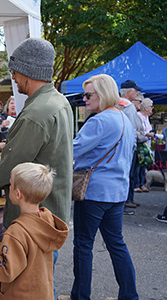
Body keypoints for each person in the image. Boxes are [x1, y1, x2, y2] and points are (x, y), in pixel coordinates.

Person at [0, 38, 73, 298]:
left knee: (29, 286)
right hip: (51, 212)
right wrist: (6, 144)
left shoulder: (35, 114)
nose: (14, 79)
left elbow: (11, 167)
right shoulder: (59, 102)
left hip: (35, 215)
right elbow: (43, 146)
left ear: (28, 73)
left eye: (15, 72)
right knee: (45, 280)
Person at [70, 74, 138, 300]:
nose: (84, 100)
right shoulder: (125, 120)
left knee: (83, 246)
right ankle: (129, 295)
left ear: (103, 94)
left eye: (88, 95)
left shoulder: (99, 120)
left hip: (93, 192)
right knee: (117, 245)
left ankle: (81, 296)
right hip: (117, 193)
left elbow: (72, 150)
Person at [0, 162, 68, 300]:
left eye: (10, 185)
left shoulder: (16, 232)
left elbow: (4, 271)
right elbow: (31, 252)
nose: (9, 188)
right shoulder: (47, 219)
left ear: (18, 193)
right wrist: (3, 247)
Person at [119, 80, 143, 213]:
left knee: (127, 175)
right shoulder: (129, 106)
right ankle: (125, 201)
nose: (137, 93)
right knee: (129, 174)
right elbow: (131, 129)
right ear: (128, 91)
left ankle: (126, 200)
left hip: (120, 146)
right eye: (135, 90)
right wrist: (133, 145)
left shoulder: (116, 104)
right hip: (128, 146)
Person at [135, 98, 154, 193]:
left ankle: (142, 184)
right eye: (151, 106)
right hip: (141, 145)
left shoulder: (147, 118)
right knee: (138, 165)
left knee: (143, 166)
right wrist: (148, 134)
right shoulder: (138, 116)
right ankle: (137, 184)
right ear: (146, 108)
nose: (152, 108)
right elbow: (140, 131)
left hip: (147, 144)